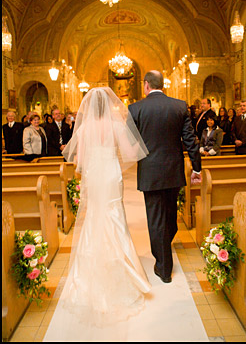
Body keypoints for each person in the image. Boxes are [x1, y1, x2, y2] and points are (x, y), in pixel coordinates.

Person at [51, 87, 150, 334]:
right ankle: (120, 263)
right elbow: (130, 154)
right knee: (115, 216)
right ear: (108, 106)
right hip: (111, 173)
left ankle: (93, 265)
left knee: (94, 216)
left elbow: (79, 160)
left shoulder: (83, 129)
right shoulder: (117, 125)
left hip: (94, 175)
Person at [128, 70, 201, 283]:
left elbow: (130, 142)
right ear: (162, 84)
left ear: (146, 85)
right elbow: (190, 140)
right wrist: (196, 168)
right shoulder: (179, 106)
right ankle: (164, 263)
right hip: (172, 169)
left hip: (150, 172)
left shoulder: (135, 108)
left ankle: (162, 261)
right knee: (169, 214)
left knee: (156, 218)